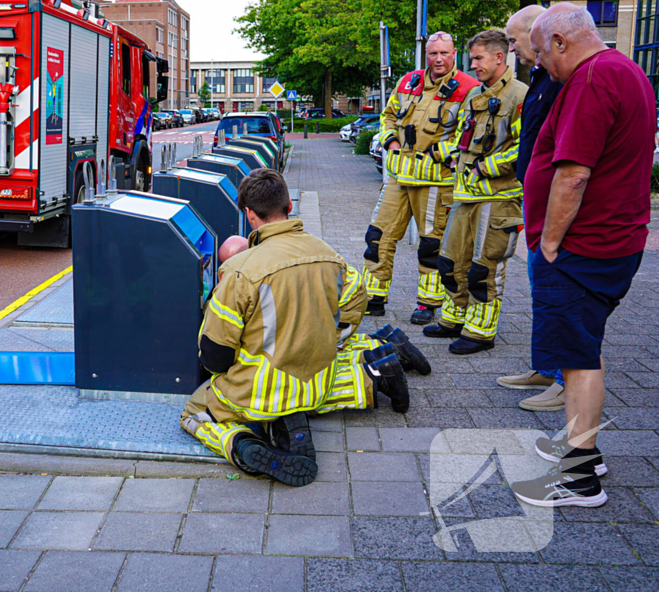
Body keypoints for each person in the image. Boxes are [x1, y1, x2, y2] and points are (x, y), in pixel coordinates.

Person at [180, 170, 417, 486]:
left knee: (194, 411)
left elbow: (215, 354)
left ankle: (243, 446)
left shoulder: (238, 271)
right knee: (328, 361)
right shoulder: (328, 254)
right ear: (288, 205)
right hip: (318, 383)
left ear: (249, 214)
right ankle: (368, 376)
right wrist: (329, 336)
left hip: (260, 393)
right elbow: (356, 300)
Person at [511, 3, 654, 508]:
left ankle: (578, 478)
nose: (540, 64)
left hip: (583, 246)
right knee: (582, 351)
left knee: (576, 359)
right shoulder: (626, 70)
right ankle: (583, 452)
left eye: (540, 52)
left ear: (561, 42)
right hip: (612, 239)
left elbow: (573, 172)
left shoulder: (592, 80)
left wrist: (549, 241)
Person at [362, 32, 479, 326]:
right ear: (425, 54)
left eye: (444, 53)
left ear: (454, 53)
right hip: (399, 177)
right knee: (378, 237)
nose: (438, 59)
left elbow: (470, 134)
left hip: (436, 182)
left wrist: (436, 152)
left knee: (431, 246)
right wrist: (391, 142)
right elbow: (387, 115)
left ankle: (427, 304)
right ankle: (373, 298)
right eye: (432, 53)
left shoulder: (469, 88)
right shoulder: (408, 81)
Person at [424, 30, 527, 354]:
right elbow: (461, 138)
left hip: (498, 198)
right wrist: (444, 152)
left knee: (484, 266)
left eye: (479, 58)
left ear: (500, 57)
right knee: (451, 261)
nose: (474, 65)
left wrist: (486, 167)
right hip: (465, 194)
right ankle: (455, 317)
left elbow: (528, 148)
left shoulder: (519, 96)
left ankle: (481, 331)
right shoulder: (474, 96)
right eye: (472, 59)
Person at [495, 5, 567, 410]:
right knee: (541, 287)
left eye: (513, 39)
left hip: (553, 205)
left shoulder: (558, 79)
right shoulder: (541, 77)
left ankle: (564, 378)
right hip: (535, 201)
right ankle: (545, 365)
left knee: (559, 289)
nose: (511, 46)